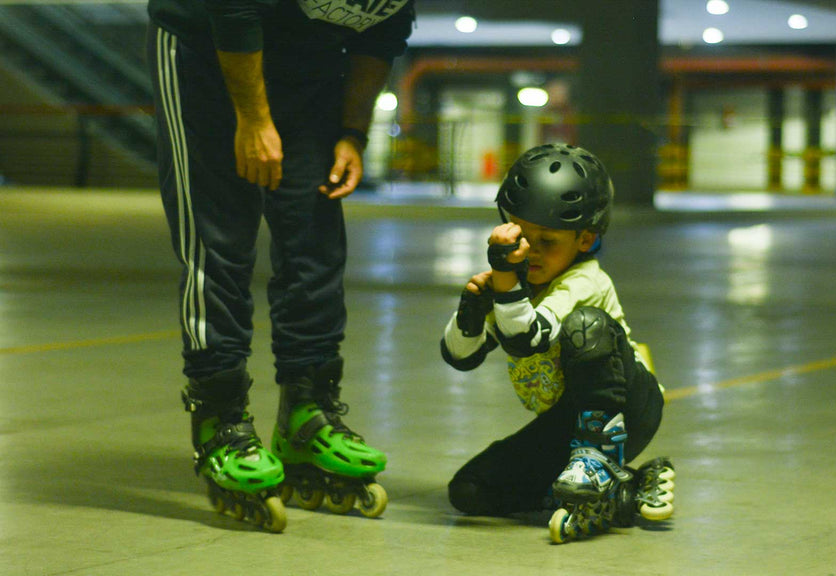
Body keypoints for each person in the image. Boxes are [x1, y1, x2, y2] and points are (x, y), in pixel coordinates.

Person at [146, 0, 415, 532]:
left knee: (313, 238)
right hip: (202, 44)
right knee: (217, 238)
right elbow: (236, 10)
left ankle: (305, 410)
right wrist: (253, 119)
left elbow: (380, 36)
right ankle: (219, 418)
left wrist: (352, 132)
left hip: (310, 62)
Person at [440, 143, 675, 543]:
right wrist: (472, 311)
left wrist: (503, 282)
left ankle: (599, 460)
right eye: (522, 236)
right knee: (470, 490)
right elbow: (460, 357)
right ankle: (625, 490)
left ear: (584, 240)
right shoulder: (517, 285)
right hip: (566, 421)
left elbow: (527, 338)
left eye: (547, 241)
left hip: (629, 408)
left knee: (586, 326)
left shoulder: (585, 281)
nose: (530, 253)